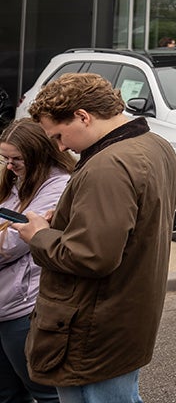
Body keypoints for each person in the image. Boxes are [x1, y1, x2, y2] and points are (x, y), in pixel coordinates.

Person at [16, 73, 176, 401]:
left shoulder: (108, 165)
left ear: (83, 116)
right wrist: (70, 217)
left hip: (94, 325)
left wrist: (40, 236)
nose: (60, 147)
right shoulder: (154, 144)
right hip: (125, 314)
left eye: (59, 136)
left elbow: (92, 255)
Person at [0, 120, 74, 403]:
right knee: (6, 394)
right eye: (5, 158)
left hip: (23, 307)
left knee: (45, 393)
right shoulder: (16, 181)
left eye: (16, 159)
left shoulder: (57, 186)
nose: (9, 166)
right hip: (4, 303)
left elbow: (11, 244)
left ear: (38, 153)